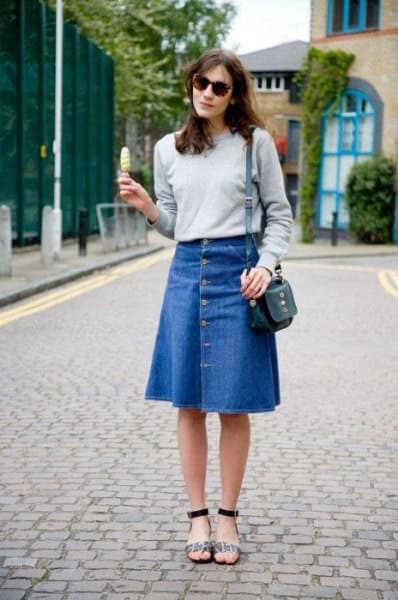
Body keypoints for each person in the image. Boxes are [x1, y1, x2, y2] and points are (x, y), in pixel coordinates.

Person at [118, 48, 293, 566]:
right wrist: (148, 208)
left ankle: (229, 517)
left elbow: (279, 216)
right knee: (189, 403)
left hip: (240, 277)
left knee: (233, 404)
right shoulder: (169, 149)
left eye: (220, 86)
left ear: (234, 93)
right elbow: (173, 221)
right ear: (190, 85)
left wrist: (266, 264)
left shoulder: (254, 143)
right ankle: (197, 516)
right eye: (201, 82)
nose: (208, 93)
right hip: (185, 273)